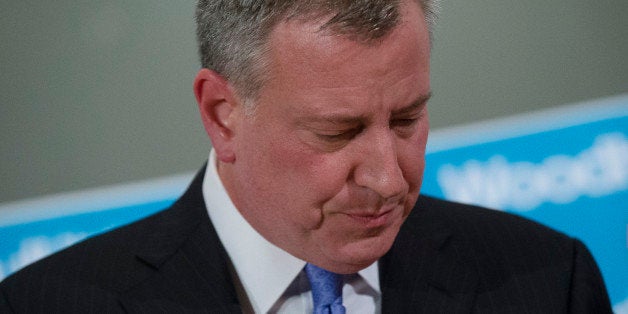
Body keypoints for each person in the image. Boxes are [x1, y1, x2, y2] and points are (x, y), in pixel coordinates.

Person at [0, 0, 613, 313]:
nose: (387, 176)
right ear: (221, 113)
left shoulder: (548, 283)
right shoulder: (46, 307)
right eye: (337, 132)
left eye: (407, 119)